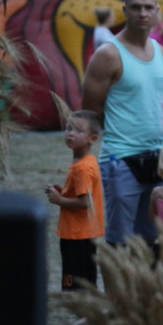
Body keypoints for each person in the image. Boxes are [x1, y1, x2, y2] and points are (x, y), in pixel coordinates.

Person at [82, 0, 163, 245]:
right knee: (119, 242)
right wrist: (121, 131)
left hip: (157, 155)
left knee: (152, 241)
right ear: (125, 11)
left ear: (156, 11)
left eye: (148, 7)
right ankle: (115, 288)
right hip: (121, 159)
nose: (142, 13)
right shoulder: (108, 54)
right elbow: (90, 107)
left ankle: (142, 288)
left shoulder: (161, 52)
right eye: (136, 7)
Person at [45, 109, 105, 290]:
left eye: (78, 131)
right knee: (84, 276)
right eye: (68, 128)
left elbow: (85, 202)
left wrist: (59, 200)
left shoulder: (82, 168)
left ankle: (79, 307)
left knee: (75, 280)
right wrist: (62, 192)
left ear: (92, 139)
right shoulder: (85, 162)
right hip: (83, 232)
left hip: (78, 234)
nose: (70, 133)